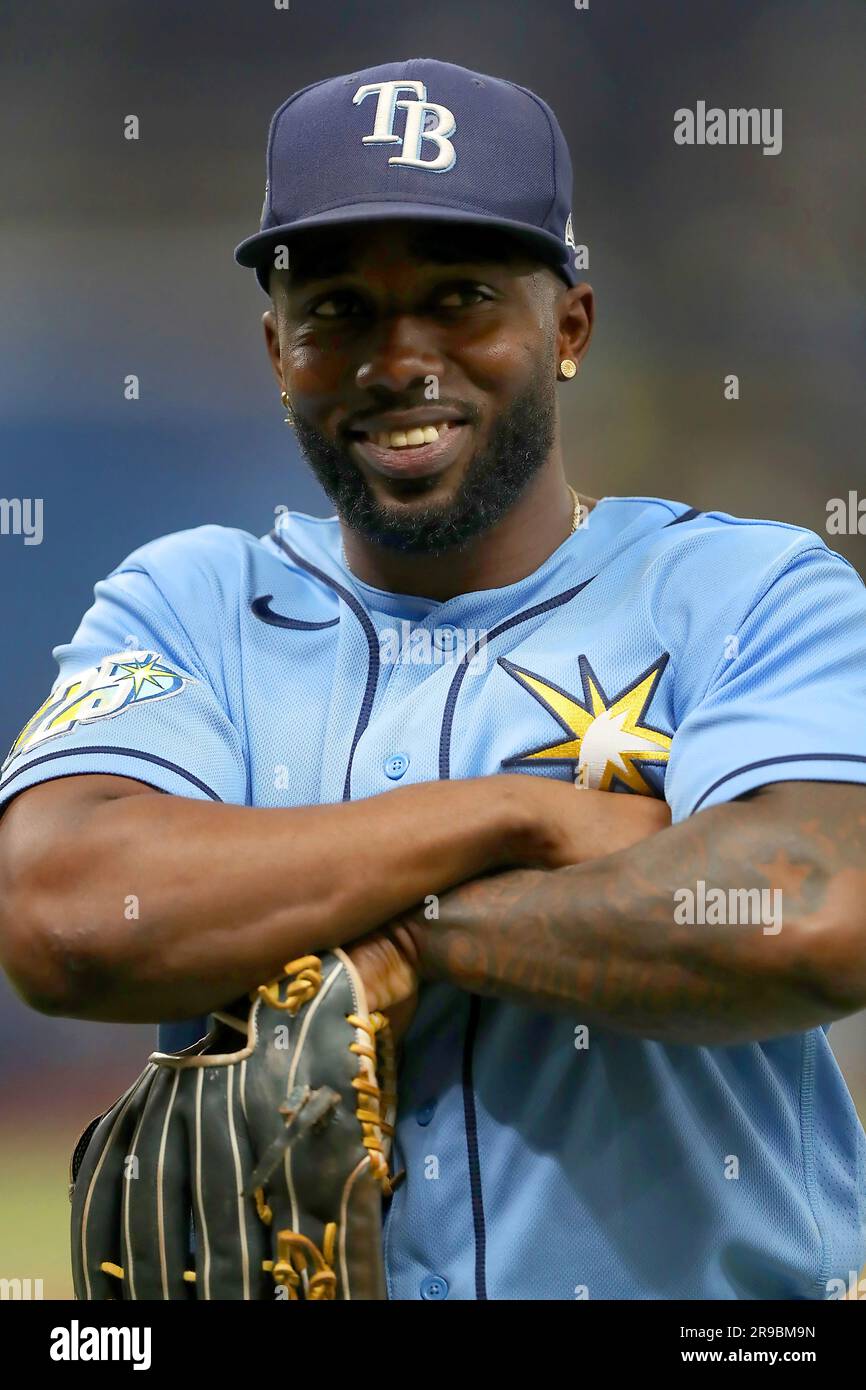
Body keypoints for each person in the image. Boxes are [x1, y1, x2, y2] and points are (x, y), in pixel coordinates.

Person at [1, 58, 865, 1300]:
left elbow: (809, 912)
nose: (399, 359)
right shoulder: (189, 605)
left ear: (567, 325)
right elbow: (63, 922)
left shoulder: (743, 590)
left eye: (459, 297)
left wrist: (410, 934)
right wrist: (512, 815)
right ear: (275, 347)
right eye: (339, 309)